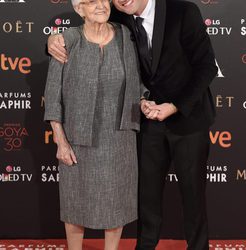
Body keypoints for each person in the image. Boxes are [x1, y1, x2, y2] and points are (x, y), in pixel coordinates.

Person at [48, 0, 218, 249]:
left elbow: (206, 67)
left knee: (193, 199)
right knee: (146, 199)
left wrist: (174, 106)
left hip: (188, 119)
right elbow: (82, 29)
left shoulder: (183, 11)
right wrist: (52, 40)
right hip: (147, 121)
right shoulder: (118, 14)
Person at [44, 0, 150, 249]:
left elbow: (138, 80)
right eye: (91, 2)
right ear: (79, 9)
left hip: (119, 136)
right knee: (75, 204)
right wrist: (60, 140)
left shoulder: (126, 36)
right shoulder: (67, 40)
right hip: (77, 139)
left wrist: (145, 100)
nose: (101, 5)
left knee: (116, 203)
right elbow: (52, 94)